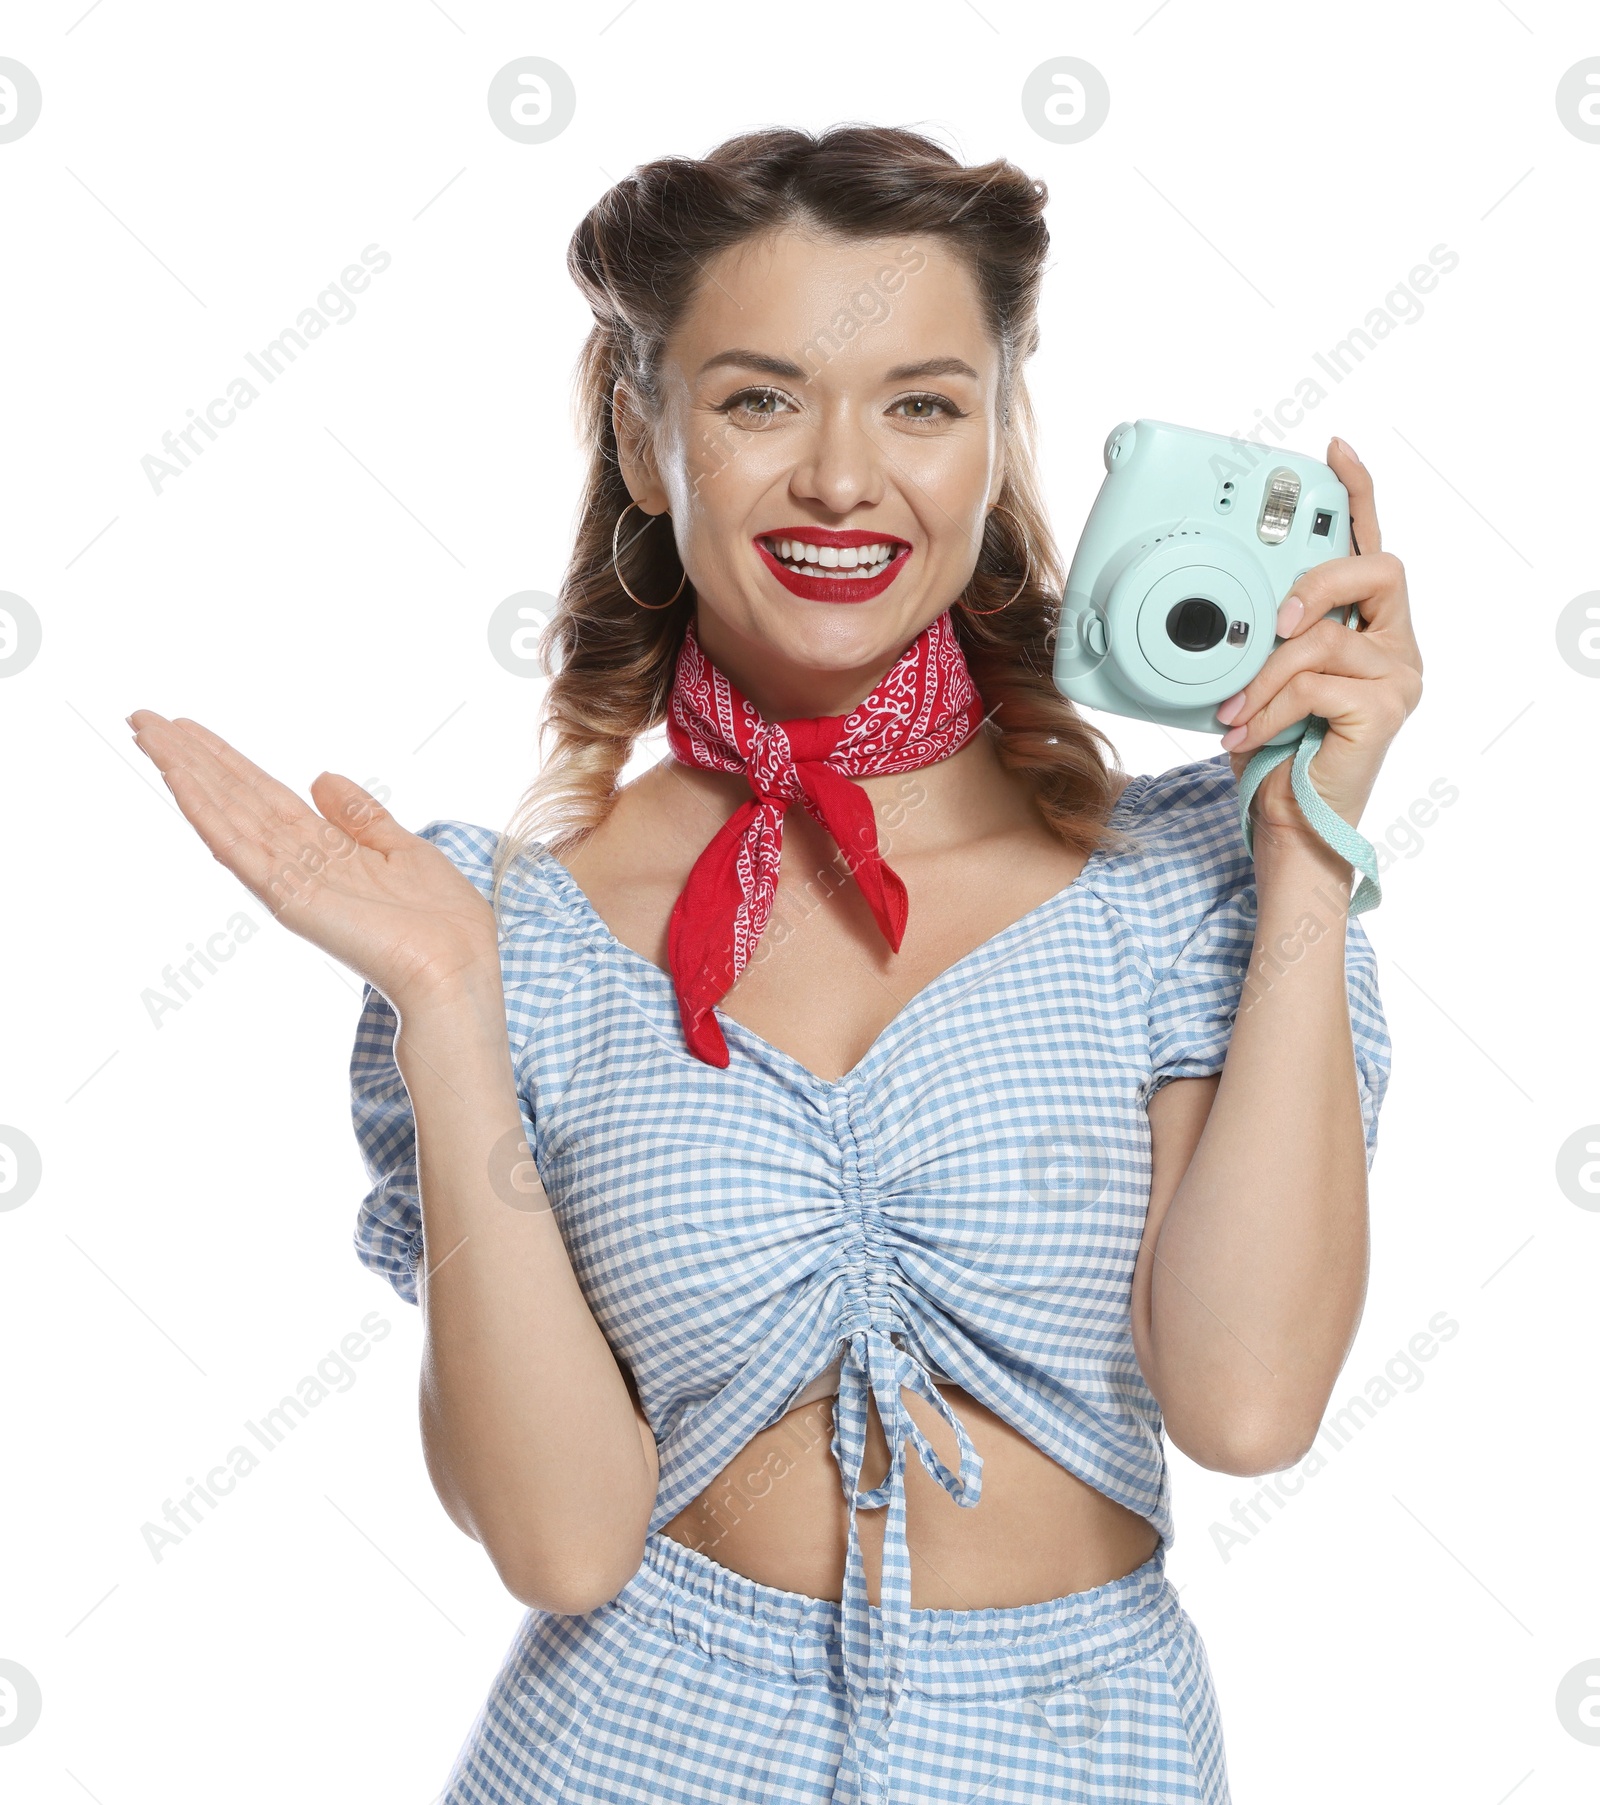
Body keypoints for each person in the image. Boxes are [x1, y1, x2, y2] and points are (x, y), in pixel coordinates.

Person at [129, 123, 1419, 1805]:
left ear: (994, 437)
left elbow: (1247, 1402)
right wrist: (450, 1003)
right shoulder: (505, 928)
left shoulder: (1180, 888)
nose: (839, 477)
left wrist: (1307, 835)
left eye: (923, 404)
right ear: (646, 440)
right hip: (625, 1747)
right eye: (757, 399)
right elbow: (564, 1538)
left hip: (1078, 1753)